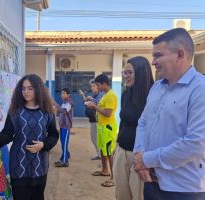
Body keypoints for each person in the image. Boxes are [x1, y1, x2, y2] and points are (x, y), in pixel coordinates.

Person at [133, 28, 205, 200]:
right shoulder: (157, 87)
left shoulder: (200, 89)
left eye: (158, 55)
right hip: (151, 181)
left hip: (183, 190)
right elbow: (143, 122)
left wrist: (147, 159)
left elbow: (197, 142)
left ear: (180, 54)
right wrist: (139, 156)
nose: (153, 62)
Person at [0, 74, 59, 200]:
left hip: (39, 165)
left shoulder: (47, 111)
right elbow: (7, 136)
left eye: (30, 88)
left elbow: (53, 135)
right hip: (19, 166)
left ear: (38, 89)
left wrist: (43, 145)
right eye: (23, 88)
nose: (26, 91)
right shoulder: (15, 111)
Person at [113, 56, 154, 200]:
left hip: (141, 157)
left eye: (129, 72)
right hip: (122, 152)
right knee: (121, 195)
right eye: (124, 73)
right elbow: (123, 121)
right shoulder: (125, 94)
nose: (125, 76)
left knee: (138, 196)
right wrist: (117, 146)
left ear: (141, 72)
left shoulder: (153, 97)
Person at [86, 73, 118, 187]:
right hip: (102, 126)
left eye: (98, 85)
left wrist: (94, 106)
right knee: (103, 150)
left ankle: (114, 177)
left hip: (108, 127)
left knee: (109, 152)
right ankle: (105, 170)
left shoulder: (110, 96)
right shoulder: (105, 94)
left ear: (104, 84)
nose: (97, 87)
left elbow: (108, 113)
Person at [79, 79, 105, 160]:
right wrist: (83, 96)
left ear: (98, 86)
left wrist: (91, 99)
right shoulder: (95, 95)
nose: (92, 88)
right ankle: (100, 155)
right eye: (91, 86)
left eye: (94, 86)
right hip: (93, 120)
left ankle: (102, 156)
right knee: (94, 139)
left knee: (97, 139)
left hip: (98, 121)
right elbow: (87, 104)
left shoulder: (101, 94)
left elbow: (97, 103)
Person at [54, 88, 74, 167]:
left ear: (68, 95)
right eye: (61, 93)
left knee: (64, 143)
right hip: (62, 126)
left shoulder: (69, 103)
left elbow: (64, 111)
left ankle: (65, 161)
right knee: (62, 142)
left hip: (66, 126)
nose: (62, 95)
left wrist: (55, 104)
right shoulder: (64, 102)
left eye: (64, 93)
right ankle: (65, 156)